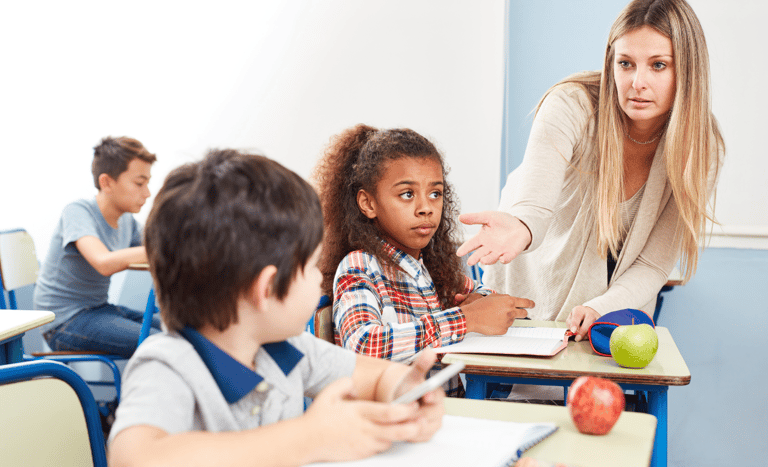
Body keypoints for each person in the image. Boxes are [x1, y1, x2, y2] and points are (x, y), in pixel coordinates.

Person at [107, 149, 444, 467]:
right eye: (312, 266)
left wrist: (406, 393)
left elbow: (379, 375)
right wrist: (309, 437)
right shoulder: (169, 365)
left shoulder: (285, 348)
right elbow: (136, 459)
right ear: (267, 289)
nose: (318, 280)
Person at [457, 0, 724, 342]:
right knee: (518, 387)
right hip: (536, 272)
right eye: (625, 63)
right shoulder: (572, 104)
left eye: (658, 65)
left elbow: (654, 263)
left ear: (687, 70)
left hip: (617, 298)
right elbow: (534, 207)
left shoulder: (702, 147)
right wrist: (521, 227)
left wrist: (603, 306)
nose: (637, 82)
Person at [313, 124, 534, 394]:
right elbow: (362, 345)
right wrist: (465, 319)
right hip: (397, 426)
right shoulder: (360, 266)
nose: (426, 208)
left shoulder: (429, 267)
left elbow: (481, 296)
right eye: (407, 194)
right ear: (368, 204)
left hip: (446, 415)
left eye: (435, 193)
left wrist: (483, 303)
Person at [34, 136, 162, 358]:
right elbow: (103, 262)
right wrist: (163, 249)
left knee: (181, 331)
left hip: (99, 309)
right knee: (156, 342)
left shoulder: (126, 223)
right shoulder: (77, 212)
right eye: (140, 183)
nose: (147, 193)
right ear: (107, 182)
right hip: (63, 322)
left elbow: (157, 244)